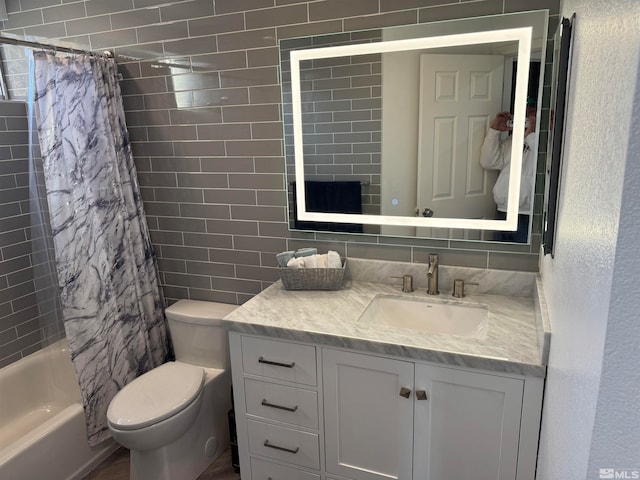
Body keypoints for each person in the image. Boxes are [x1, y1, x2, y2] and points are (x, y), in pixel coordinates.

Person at [480, 99, 538, 243]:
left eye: (531, 113)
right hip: (503, 211)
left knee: (522, 262)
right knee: (498, 259)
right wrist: (495, 131)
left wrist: (531, 133)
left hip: (529, 214)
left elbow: (543, 162)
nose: (526, 117)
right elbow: (488, 162)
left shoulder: (548, 142)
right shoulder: (512, 141)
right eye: (524, 113)